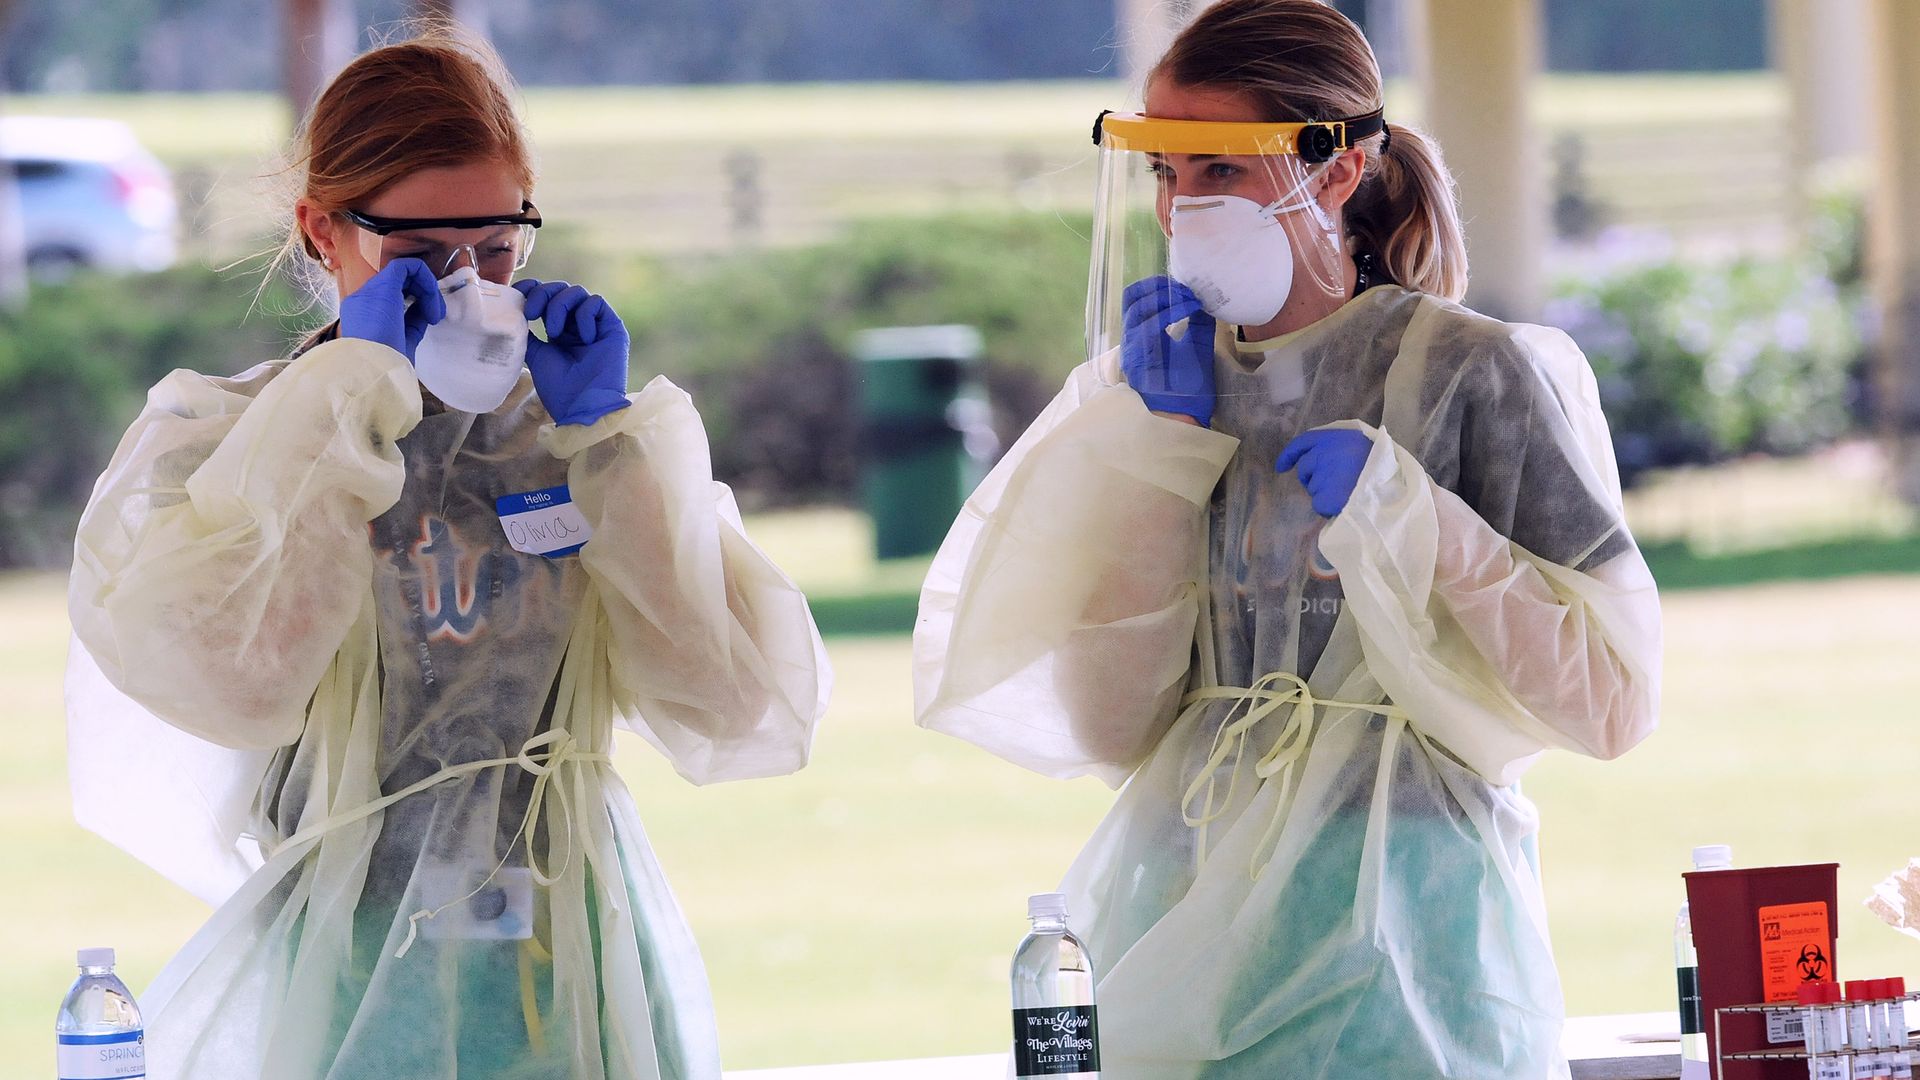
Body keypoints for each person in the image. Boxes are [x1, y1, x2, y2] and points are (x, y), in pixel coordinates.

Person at [64, 28, 830, 1080]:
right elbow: (233, 683)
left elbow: (736, 706)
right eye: (421, 256)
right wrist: (350, 398)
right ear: (324, 232)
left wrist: (612, 446)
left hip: (570, 950)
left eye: (498, 249)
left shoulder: (565, 443)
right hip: (355, 955)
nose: (466, 284)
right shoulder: (222, 441)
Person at [913, 2, 1662, 1076]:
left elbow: (1610, 703)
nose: (1183, 206)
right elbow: (1110, 721)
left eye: (1221, 168)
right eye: (1165, 172)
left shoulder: (1472, 374)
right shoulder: (1157, 386)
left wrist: (1418, 521)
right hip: (1187, 905)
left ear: (1339, 170)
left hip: (1405, 925)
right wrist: (1159, 456)